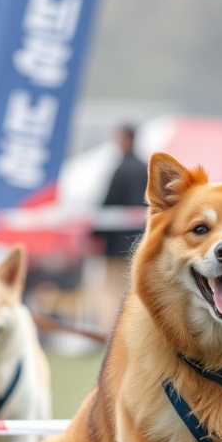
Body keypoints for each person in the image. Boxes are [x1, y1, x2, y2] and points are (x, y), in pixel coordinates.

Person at [91, 125, 148, 330]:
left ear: (125, 139)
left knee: (110, 289)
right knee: (133, 289)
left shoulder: (121, 169)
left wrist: (95, 234)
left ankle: (109, 334)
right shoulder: (145, 168)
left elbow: (109, 204)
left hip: (115, 244)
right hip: (140, 242)